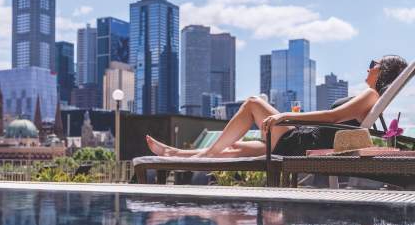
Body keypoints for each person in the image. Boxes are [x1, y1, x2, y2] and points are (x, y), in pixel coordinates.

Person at [146, 55, 408, 158]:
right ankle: (176, 153)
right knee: (236, 147)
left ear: (382, 70)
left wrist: (284, 116)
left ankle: (204, 157)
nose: (368, 66)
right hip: (302, 142)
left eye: (374, 62)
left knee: (252, 103)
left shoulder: (370, 95)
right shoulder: (374, 100)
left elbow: (333, 115)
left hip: (302, 140)